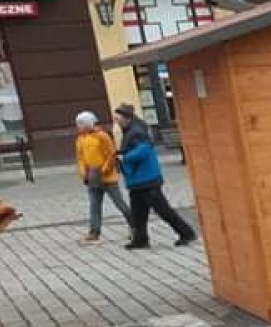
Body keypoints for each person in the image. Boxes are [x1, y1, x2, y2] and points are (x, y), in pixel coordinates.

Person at [113, 103, 196, 250]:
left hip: (146, 179)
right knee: (138, 213)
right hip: (138, 180)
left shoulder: (136, 132)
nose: (116, 121)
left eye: (117, 118)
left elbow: (143, 150)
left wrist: (124, 158)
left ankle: (187, 233)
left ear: (126, 118)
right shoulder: (130, 130)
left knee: (163, 210)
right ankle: (140, 239)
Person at [74, 110, 129, 245]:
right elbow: (80, 158)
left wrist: (104, 170)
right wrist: (83, 173)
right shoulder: (80, 139)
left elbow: (110, 154)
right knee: (94, 206)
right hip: (91, 177)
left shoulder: (102, 136)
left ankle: (134, 225)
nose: (78, 127)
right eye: (78, 124)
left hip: (107, 177)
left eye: (80, 124)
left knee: (120, 203)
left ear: (88, 124)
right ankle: (94, 232)